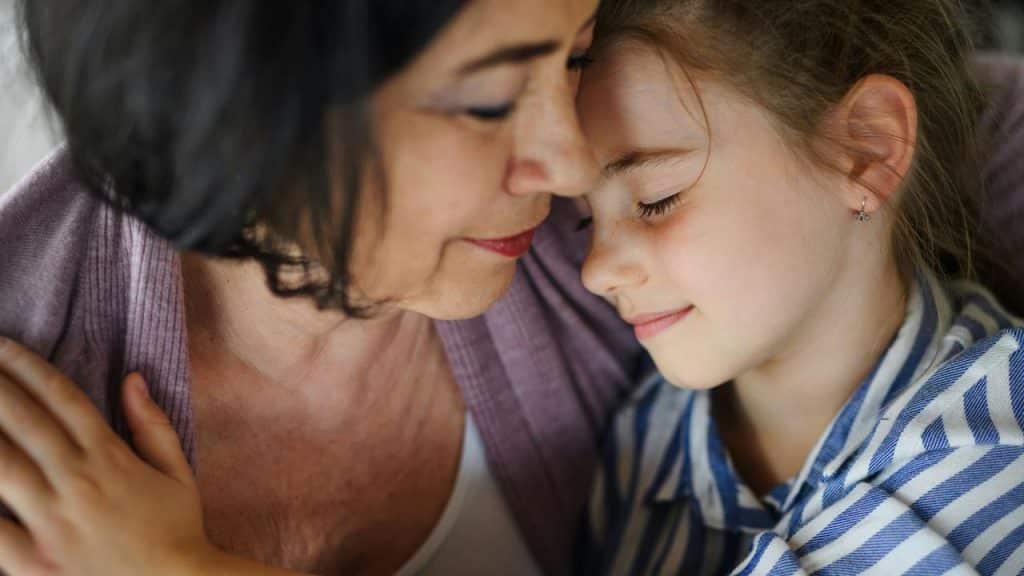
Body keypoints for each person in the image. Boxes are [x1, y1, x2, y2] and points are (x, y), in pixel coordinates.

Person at [0, 0, 647, 574]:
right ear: (241, 106)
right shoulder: (27, 367)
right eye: (489, 101)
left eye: (576, 58)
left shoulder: (630, 255)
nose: (574, 166)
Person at [576, 0, 1024, 573]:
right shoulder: (639, 440)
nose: (594, 271)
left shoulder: (994, 432)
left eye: (655, 200)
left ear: (866, 151)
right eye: (584, 220)